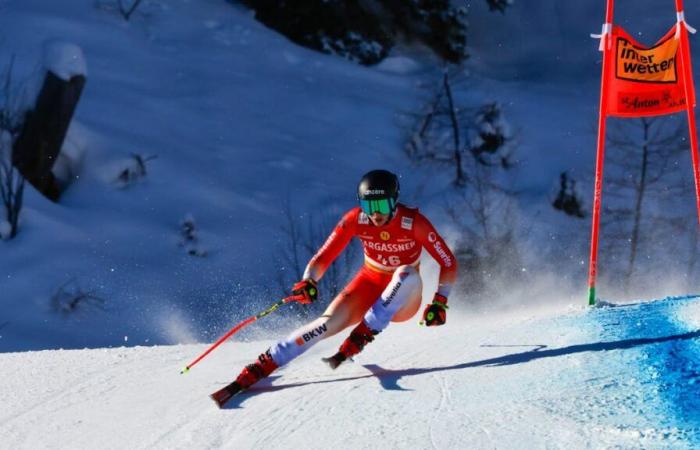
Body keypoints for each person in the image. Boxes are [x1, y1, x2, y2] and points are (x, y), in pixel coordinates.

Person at [211, 169, 458, 407]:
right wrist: (309, 280)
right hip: (368, 285)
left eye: (381, 206)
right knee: (323, 325)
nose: (376, 215)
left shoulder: (413, 223)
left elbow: (447, 260)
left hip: (403, 299)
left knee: (406, 273)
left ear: (394, 201)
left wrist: (439, 301)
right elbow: (324, 256)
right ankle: (262, 365)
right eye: (369, 207)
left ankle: (364, 331)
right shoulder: (355, 219)